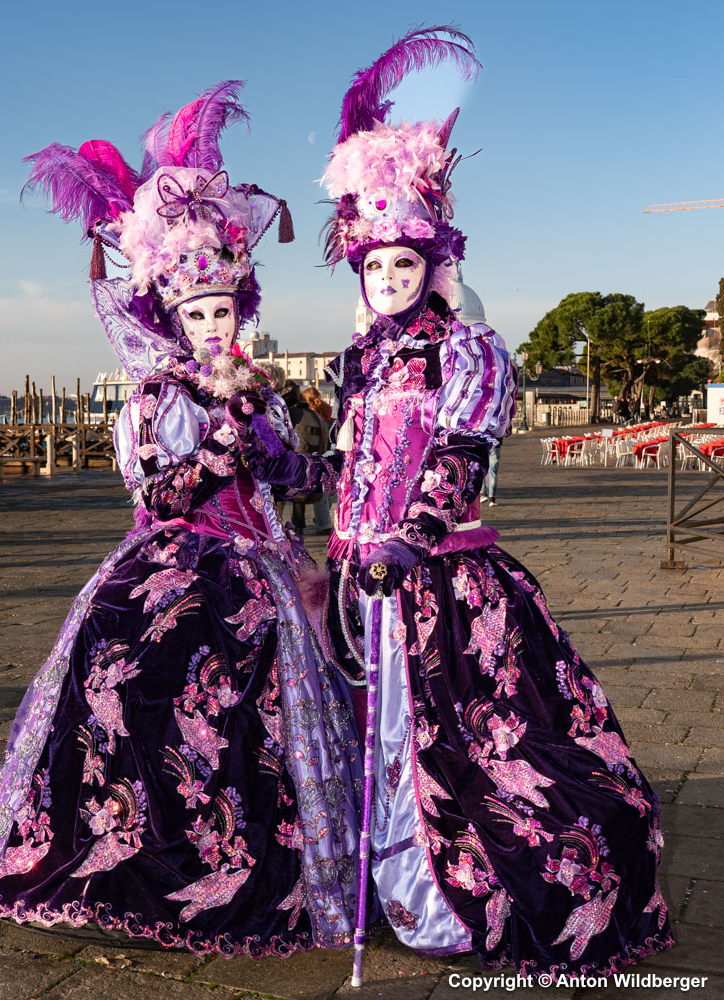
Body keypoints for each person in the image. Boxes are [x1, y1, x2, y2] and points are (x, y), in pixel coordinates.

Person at [243, 28, 673, 980]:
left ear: (430, 262)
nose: (388, 281)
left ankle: (449, 894)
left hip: (434, 581)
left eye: (403, 266)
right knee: (370, 736)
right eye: (374, 269)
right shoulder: (366, 360)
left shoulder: (464, 353)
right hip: (357, 583)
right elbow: (346, 468)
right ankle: (389, 884)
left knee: (465, 746)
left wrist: (412, 537)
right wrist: (281, 471)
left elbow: (456, 460)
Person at [0, 84, 361, 957]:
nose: (213, 327)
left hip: (269, 559)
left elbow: (291, 474)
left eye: (223, 312)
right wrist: (218, 441)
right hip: (180, 556)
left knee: (290, 703)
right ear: (172, 318)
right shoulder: (152, 397)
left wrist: (346, 463)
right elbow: (159, 494)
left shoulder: (258, 391)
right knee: (130, 661)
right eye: (198, 315)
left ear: (240, 313)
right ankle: (138, 864)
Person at [283, 380, 332, 537]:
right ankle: (301, 524)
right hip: (315, 460)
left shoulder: (293, 413)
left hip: (299, 461)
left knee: (296, 492)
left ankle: (298, 525)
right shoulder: (314, 415)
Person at [303, 386, 336, 534]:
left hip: (317, 452)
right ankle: (323, 519)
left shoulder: (310, 414)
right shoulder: (327, 408)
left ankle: (324, 523)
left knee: (319, 489)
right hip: (332, 451)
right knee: (329, 487)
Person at [480, 442, 501, 507]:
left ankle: (483, 494)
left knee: (481, 471)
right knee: (493, 473)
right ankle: (492, 499)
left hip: (481, 446)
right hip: (494, 445)